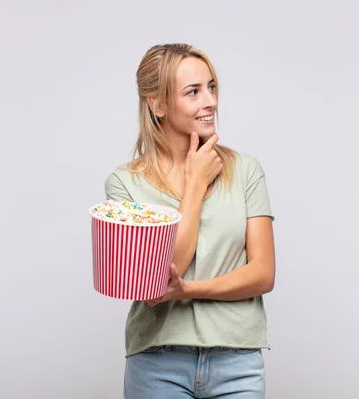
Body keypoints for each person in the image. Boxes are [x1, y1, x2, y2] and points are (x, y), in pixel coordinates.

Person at [104, 43, 276, 398]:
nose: (209, 101)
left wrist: (188, 290)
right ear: (158, 104)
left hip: (237, 362)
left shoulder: (245, 171)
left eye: (211, 87)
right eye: (193, 92)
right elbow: (157, 282)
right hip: (157, 363)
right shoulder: (125, 184)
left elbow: (263, 274)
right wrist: (195, 184)